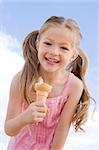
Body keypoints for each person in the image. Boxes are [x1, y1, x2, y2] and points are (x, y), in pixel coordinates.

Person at [4, 16, 91, 150]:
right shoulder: (21, 80)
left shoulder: (74, 86)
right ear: (38, 43)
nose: (54, 52)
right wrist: (24, 118)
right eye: (48, 43)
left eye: (64, 48)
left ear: (73, 55)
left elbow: (62, 130)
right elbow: (9, 129)